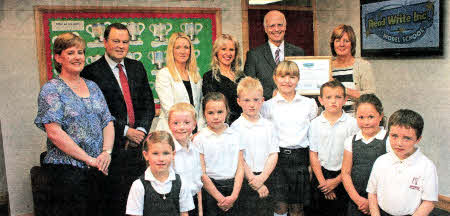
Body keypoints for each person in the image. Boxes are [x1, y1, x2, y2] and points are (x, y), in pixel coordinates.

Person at [34, 32, 115, 216]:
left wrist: (106, 152)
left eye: (81, 52)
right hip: (66, 172)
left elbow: (107, 121)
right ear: (58, 58)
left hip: (98, 169)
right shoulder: (51, 89)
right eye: (71, 52)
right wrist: (88, 159)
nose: (77, 57)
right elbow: (54, 133)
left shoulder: (93, 87)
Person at [81, 23, 155, 216]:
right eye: (116, 41)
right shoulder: (91, 72)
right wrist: (125, 131)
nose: (121, 46)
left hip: (137, 149)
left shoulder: (137, 67)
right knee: (114, 205)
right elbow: (96, 112)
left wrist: (141, 131)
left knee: (139, 203)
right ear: (105, 42)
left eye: (125, 42)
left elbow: (148, 104)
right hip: (112, 150)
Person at [261, 61, 318, 216]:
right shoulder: (267, 106)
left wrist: (311, 165)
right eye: (282, 76)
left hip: (301, 159)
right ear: (275, 78)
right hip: (278, 160)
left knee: (297, 208)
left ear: (298, 79)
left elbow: (313, 135)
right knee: (280, 206)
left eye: (292, 76)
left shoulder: (309, 104)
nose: (287, 81)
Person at [367, 109, 438, 216]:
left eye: (407, 138)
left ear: (418, 139)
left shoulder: (427, 166)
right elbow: (372, 193)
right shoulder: (381, 162)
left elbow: (429, 202)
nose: (399, 143)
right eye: (394, 136)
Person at [308, 80, 359, 216]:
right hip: (321, 176)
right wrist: (324, 184)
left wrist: (336, 181)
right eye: (328, 97)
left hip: (343, 176)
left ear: (345, 100)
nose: (333, 101)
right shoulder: (315, 124)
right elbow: (313, 154)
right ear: (321, 100)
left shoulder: (353, 124)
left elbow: (354, 156)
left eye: (338, 97)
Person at [231, 77, 278, 216]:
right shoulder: (235, 128)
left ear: (263, 100)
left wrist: (262, 178)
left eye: (256, 100)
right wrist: (254, 180)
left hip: (267, 177)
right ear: (239, 101)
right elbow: (240, 159)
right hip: (246, 180)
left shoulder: (269, 126)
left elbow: (273, 153)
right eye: (247, 100)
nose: (252, 105)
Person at [194, 92, 244, 215]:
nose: (215, 117)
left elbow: (240, 168)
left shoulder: (235, 135)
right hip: (210, 190)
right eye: (210, 113)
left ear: (227, 111)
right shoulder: (200, 138)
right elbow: (202, 173)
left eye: (220, 112)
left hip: (234, 188)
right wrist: (220, 199)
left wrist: (234, 195)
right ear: (204, 114)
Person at [125, 131, 194, 216]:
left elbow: (184, 214)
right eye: (155, 153)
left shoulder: (181, 182)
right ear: (146, 155)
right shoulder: (139, 186)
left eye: (166, 153)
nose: (161, 159)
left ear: (173, 154)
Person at [341, 94, 389, 216]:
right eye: (361, 117)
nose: (366, 122)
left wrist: (373, 202)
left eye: (371, 117)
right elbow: (345, 173)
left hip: (382, 201)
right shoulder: (351, 141)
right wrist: (358, 200)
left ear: (380, 116)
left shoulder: (389, 140)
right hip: (357, 201)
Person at [244, 10, 304, 100]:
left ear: (285, 27)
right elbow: (249, 86)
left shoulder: (298, 52)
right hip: (266, 108)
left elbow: (303, 81)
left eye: (280, 25)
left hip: (293, 105)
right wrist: (272, 93)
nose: (276, 29)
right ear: (265, 29)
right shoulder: (254, 55)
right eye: (272, 26)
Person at [155, 32, 203, 131]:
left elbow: (199, 107)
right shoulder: (164, 74)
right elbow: (169, 109)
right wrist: (185, 127)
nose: (183, 51)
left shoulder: (195, 75)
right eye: (178, 47)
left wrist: (199, 130)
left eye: (186, 47)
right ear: (171, 51)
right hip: (173, 130)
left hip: (194, 131)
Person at [168, 103, 203, 216]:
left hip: (193, 203)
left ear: (194, 125)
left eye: (187, 123)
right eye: (176, 123)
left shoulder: (195, 149)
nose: (181, 127)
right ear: (169, 125)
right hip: (176, 205)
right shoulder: (169, 152)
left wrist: (200, 211)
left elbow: (198, 184)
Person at [330, 24, 375, 112]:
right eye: (338, 41)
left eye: (346, 41)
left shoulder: (363, 65)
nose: (341, 44)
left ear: (352, 44)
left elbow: (370, 96)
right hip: (332, 119)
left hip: (356, 119)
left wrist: (343, 90)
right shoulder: (327, 66)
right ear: (333, 44)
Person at [203, 34, 244, 124]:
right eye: (223, 49)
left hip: (242, 126)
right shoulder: (210, 77)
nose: (228, 53)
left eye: (231, 49)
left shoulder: (242, 76)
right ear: (216, 52)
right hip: (221, 127)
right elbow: (211, 107)